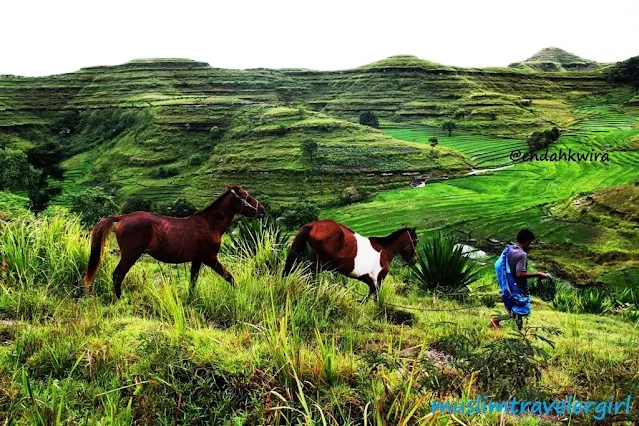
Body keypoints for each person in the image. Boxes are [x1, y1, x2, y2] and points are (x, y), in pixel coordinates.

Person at [491, 229, 548, 330]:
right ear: (526, 241)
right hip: (518, 288)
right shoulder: (522, 255)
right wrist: (538, 274)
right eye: (529, 242)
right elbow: (520, 274)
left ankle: (519, 332)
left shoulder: (509, 249)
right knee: (520, 311)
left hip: (509, 286)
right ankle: (496, 320)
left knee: (517, 311)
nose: (529, 245)